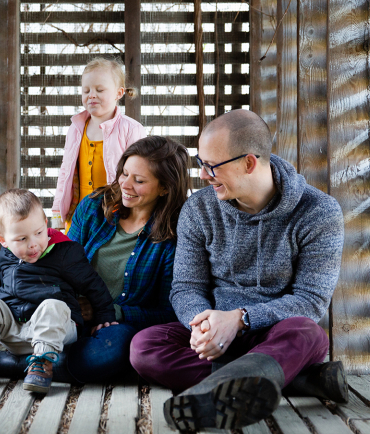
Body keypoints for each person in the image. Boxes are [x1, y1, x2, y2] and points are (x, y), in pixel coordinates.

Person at [0, 136, 190, 384]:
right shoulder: (94, 207)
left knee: (114, 351)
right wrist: (17, 256)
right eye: (124, 173)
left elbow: (169, 311)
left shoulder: (174, 238)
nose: (124, 184)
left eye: (138, 180)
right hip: (49, 296)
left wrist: (112, 312)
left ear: (164, 187)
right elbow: (57, 253)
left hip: (101, 324)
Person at [129, 110, 347, 432]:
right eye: (201, 163)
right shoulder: (199, 208)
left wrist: (241, 319)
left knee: (306, 333)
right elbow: (186, 286)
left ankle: (211, 393)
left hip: (276, 332)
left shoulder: (319, 212)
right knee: (145, 347)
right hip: (216, 329)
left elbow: (311, 301)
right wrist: (204, 322)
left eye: (211, 166)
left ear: (248, 163)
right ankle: (299, 378)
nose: (203, 176)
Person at [0, 189, 115, 394]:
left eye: (38, 233)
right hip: (17, 331)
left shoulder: (65, 253)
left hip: (55, 331)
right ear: (3, 240)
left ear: (45, 223)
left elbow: (93, 284)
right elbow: (8, 276)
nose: (33, 244)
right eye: (21, 239)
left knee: (52, 305)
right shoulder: (8, 254)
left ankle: (42, 366)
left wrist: (105, 314)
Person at [51, 58, 146, 234]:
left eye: (99, 90)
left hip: (114, 215)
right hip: (78, 216)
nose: (91, 95)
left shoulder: (132, 129)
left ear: (119, 93)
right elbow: (65, 172)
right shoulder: (76, 128)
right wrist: (57, 214)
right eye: (86, 90)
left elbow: (141, 175)